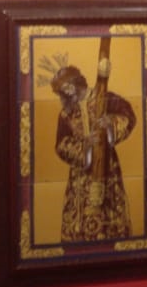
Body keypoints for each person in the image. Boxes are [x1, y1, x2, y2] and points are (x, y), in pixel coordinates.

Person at [47, 59, 136, 242]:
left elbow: (129, 116)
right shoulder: (66, 114)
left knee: (110, 217)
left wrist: (110, 124)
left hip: (107, 169)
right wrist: (84, 147)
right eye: (61, 95)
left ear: (73, 87)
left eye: (63, 93)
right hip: (80, 177)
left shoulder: (105, 98)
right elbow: (61, 144)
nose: (63, 99)